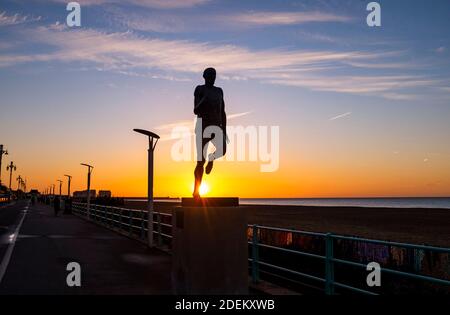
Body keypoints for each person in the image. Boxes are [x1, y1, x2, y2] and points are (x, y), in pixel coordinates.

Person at [193, 67, 227, 198]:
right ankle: (196, 191)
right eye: (210, 75)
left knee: (223, 149)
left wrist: (224, 129)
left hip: (216, 125)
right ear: (204, 76)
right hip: (202, 126)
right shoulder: (199, 89)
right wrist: (204, 100)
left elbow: (223, 111)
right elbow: (195, 110)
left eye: (214, 75)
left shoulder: (219, 91)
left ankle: (211, 159)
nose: (213, 77)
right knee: (200, 162)